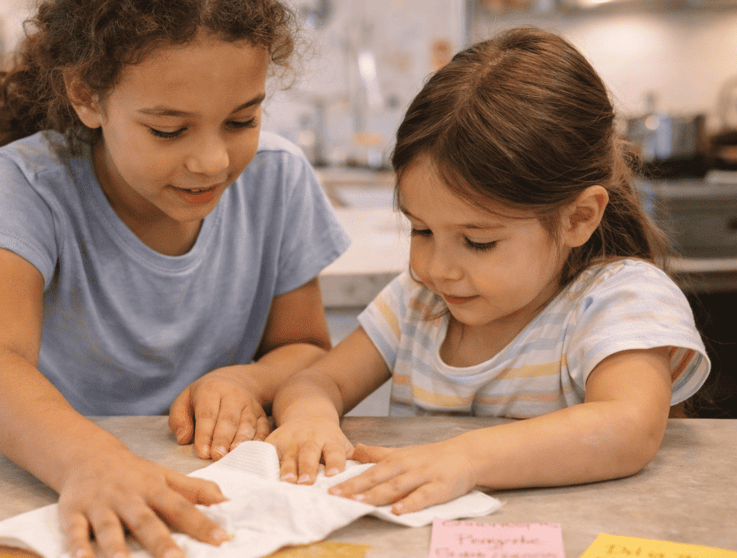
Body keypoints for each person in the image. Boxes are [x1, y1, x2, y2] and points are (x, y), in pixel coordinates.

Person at [0, 0, 350, 558]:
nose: (211, 161)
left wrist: (247, 378)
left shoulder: (278, 179)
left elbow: (305, 348)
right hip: (65, 473)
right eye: (169, 129)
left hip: (227, 495)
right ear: (87, 95)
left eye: (241, 121)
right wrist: (88, 462)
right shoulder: (25, 184)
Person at [262, 27, 710, 516]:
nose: (437, 269)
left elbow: (629, 427)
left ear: (578, 217)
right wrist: (310, 418)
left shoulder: (618, 301)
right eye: (421, 231)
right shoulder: (417, 303)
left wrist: (463, 458)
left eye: (479, 242)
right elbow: (316, 382)